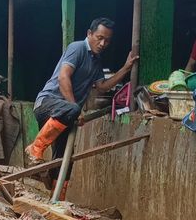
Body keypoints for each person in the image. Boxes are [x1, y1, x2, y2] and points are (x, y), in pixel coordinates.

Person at [26, 18, 137, 166]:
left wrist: (126, 68)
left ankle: (55, 187)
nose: (103, 44)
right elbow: (63, 77)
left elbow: (102, 86)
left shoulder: (96, 60)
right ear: (89, 34)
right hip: (47, 103)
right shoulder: (77, 48)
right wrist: (75, 109)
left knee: (64, 162)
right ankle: (35, 148)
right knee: (73, 107)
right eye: (100, 38)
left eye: (107, 41)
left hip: (65, 115)